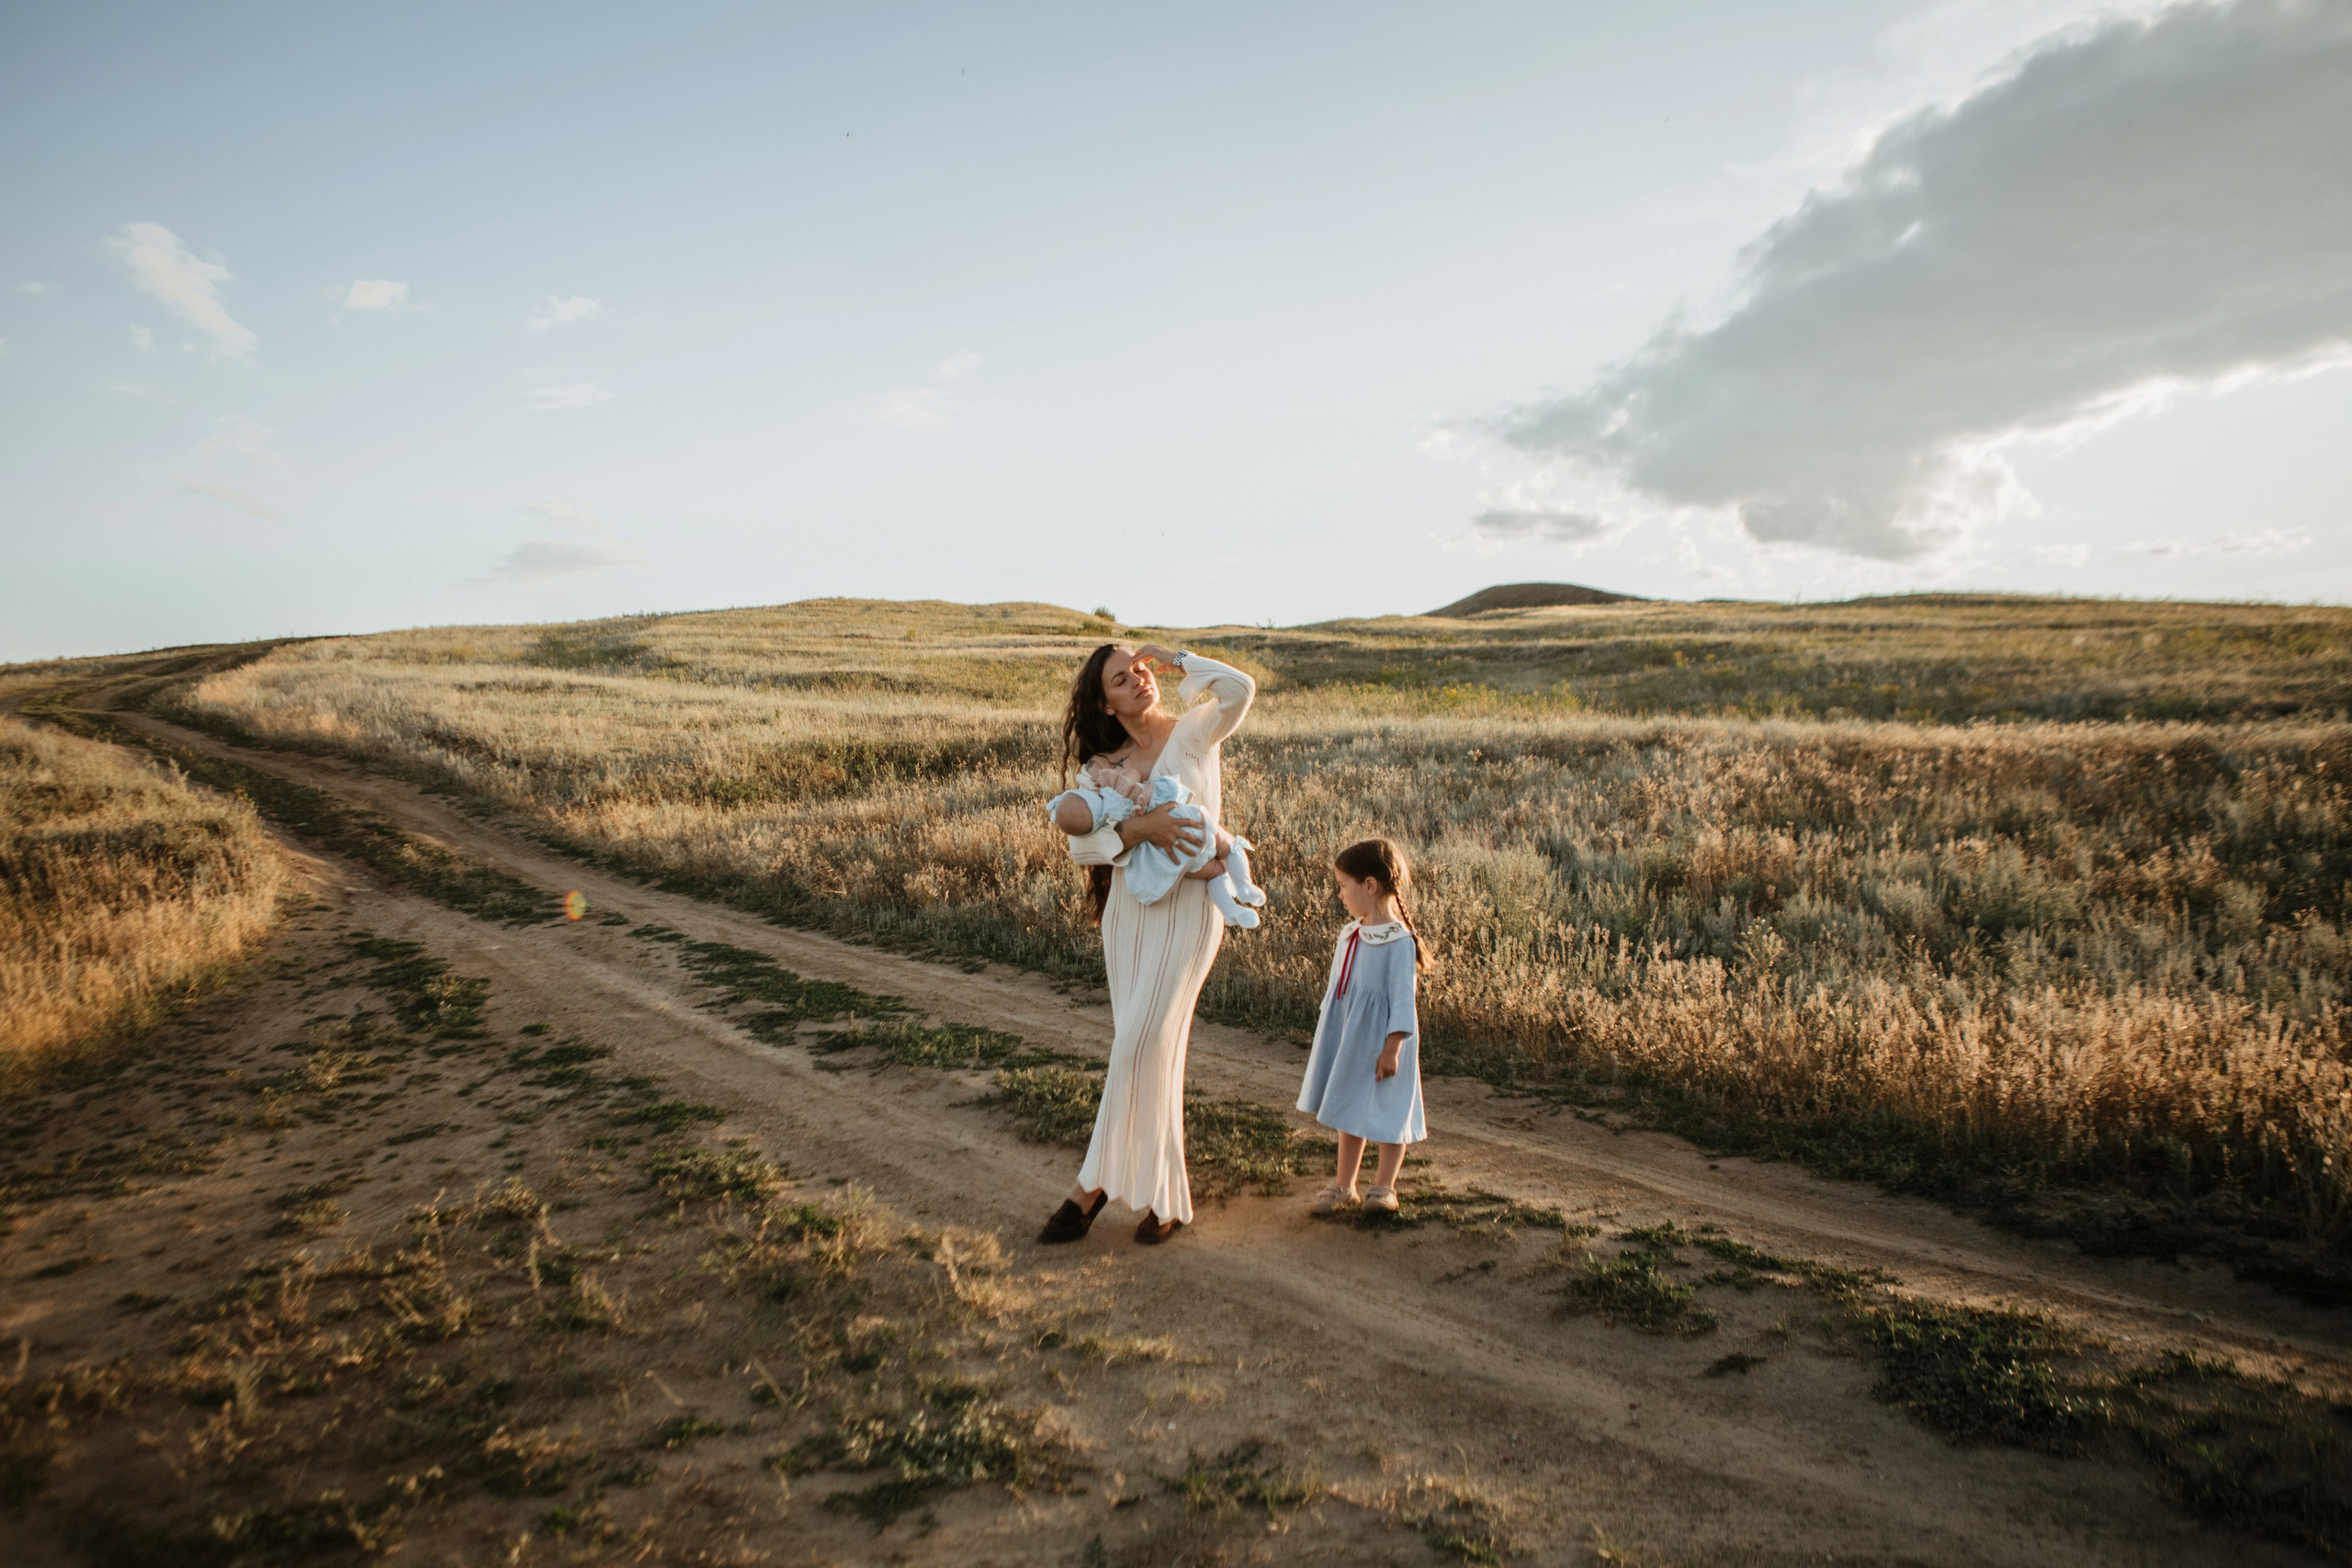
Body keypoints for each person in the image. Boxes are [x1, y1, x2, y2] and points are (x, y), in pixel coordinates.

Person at [1037, 641, 1256, 1246]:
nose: (1139, 680)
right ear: (1104, 702)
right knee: (1149, 1051)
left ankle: (1092, 1185)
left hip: (1189, 912)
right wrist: (1145, 827)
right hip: (1129, 915)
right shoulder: (1104, 766)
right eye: (1122, 678)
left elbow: (1240, 690)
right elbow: (1087, 845)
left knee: (1140, 1042)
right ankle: (1166, 1200)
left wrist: (1176, 655)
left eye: (1141, 670)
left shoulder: (1192, 732)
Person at [1295, 838, 1430, 1215]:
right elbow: (1341, 991)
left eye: (1343, 886)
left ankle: (1384, 1188)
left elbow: (1403, 1003)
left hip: (1386, 1043)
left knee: (1390, 1108)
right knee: (1350, 1106)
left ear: (1369, 886)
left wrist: (1392, 1049)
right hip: (1352, 1039)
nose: (1339, 895)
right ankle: (1345, 1185)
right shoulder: (1350, 934)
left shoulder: (1400, 943)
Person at [1047, 759, 1265, 928]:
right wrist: (1111, 778)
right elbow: (1134, 773)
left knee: (1216, 872)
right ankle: (1244, 886)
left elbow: (1093, 843)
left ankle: (1231, 911)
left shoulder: (1108, 825)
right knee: (1228, 845)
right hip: (1187, 824)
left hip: (1171, 855)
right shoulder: (1113, 790)